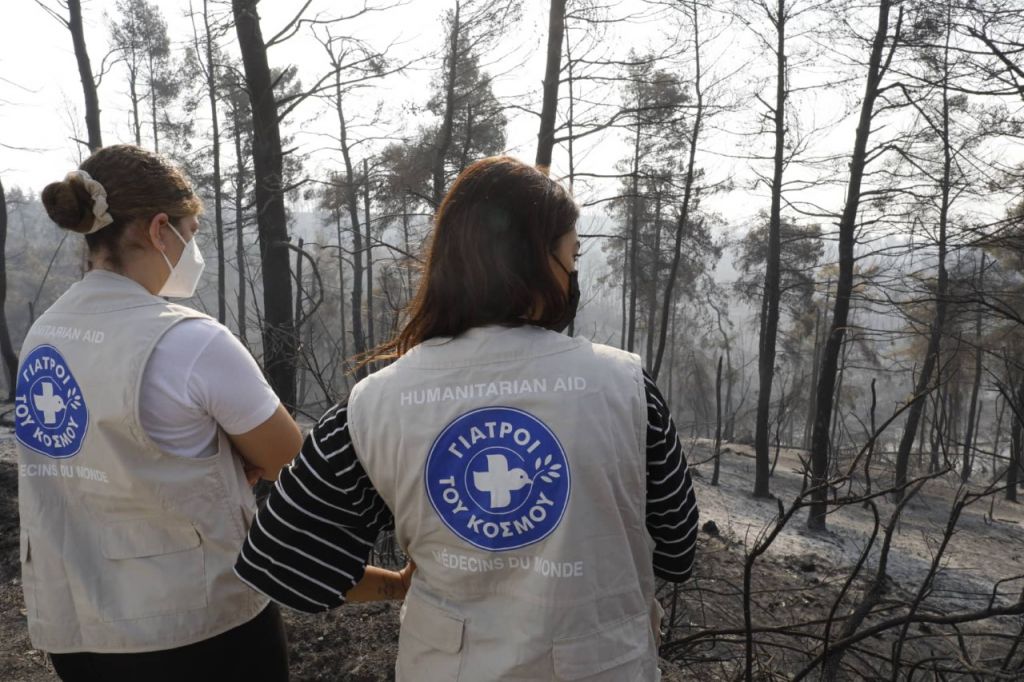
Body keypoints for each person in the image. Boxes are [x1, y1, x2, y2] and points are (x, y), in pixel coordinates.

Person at [235, 156, 699, 681]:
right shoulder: (625, 386)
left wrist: (400, 584)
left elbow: (284, 560)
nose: (573, 274)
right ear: (536, 260)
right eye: (572, 255)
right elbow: (678, 551)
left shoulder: (374, 405)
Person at [17, 144, 304, 682]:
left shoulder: (44, 335)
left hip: (75, 624)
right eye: (189, 234)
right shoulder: (189, 340)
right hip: (196, 627)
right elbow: (293, 460)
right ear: (158, 230)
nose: (192, 251)